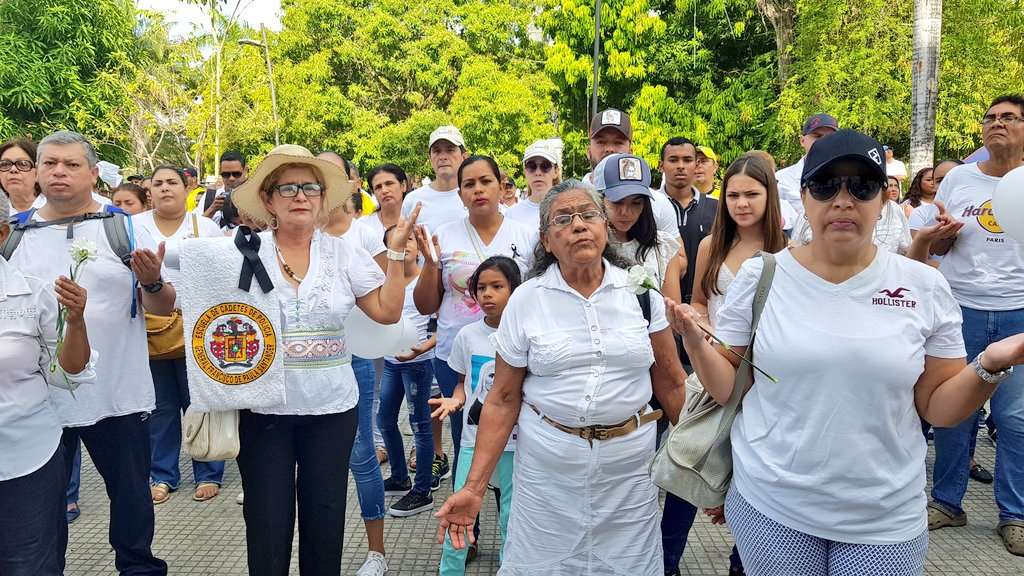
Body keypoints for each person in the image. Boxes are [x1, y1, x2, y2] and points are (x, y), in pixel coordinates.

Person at [665, 128, 1024, 575]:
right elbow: (729, 389)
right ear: (804, 197)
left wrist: (992, 363)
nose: (843, 199)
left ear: (883, 200)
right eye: (826, 184)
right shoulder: (762, 276)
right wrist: (695, 343)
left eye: (862, 186)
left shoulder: (924, 286)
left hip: (885, 516)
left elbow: (938, 409)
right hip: (774, 504)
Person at [435, 179, 686, 575]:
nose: (579, 226)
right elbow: (502, 398)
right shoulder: (527, 299)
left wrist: (701, 468)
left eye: (589, 215)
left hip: (628, 475)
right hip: (548, 474)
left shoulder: (641, 293)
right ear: (546, 240)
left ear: (605, 227)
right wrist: (474, 488)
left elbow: (671, 382)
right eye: (564, 220)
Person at [225, 144, 419, 575]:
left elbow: (386, 311)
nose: (300, 196)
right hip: (263, 407)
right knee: (267, 520)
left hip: (332, 407)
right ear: (269, 199)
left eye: (310, 188)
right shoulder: (241, 251)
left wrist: (399, 254)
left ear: (322, 197)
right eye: (288, 188)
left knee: (325, 516)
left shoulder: (343, 252)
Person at [7, 130, 171, 575]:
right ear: (38, 172)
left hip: (117, 391)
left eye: (72, 164)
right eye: (50, 163)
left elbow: (161, 306)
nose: (60, 171)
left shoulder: (125, 228)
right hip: (42, 401)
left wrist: (153, 280)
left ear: (94, 173)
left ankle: (138, 569)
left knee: (132, 497)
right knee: (43, 507)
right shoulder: (17, 236)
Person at [911, 94, 1024, 556]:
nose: (996, 124)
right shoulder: (957, 178)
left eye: (1009, 117)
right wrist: (940, 239)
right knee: (954, 411)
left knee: (1015, 418)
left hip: (1019, 309)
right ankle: (946, 502)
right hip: (960, 309)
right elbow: (937, 250)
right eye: (990, 117)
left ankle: (1014, 515)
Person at [666, 152, 788, 576]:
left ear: (769, 196)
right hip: (713, 367)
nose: (741, 204)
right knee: (690, 469)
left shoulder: (788, 250)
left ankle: (746, 559)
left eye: (752, 194)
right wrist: (698, 326)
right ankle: (667, 563)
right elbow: (699, 301)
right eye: (733, 194)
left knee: (752, 484)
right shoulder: (711, 245)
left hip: (764, 381)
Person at [413, 155, 535, 496]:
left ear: (501, 186)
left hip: (514, 354)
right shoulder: (445, 235)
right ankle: (467, 527)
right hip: (457, 354)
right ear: (460, 193)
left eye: (486, 181)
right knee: (465, 434)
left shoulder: (526, 236)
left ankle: (512, 520)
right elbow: (425, 304)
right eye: (469, 184)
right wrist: (430, 265)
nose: (478, 189)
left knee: (515, 438)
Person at [0, 200, 95, 576]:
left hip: (27, 456)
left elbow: (66, 371)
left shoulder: (33, 294)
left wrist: (76, 322)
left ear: (2, 234)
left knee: (30, 564)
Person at [318, 151, 391, 576]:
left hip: (358, 356)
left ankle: (376, 552)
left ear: (350, 181)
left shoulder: (364, 234)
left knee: (362, 454)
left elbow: (383, 300)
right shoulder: (297, 232)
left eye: (334, 173)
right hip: (305, 361)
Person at [134, 165, 225, 505]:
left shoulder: (206, 227)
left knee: (200, 402)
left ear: (187, 187)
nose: (164, 189)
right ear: (149, 191)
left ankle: (209, 472)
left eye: (172, 182)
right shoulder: (134, 227)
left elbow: (223, 274)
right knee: (160, 407)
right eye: (157, 184)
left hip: (198, 328)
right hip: (151, 328)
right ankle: (162, 475)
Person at [432, 256, 521, 575]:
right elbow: (461, 385)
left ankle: (510, 567)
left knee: (513, 515)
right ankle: (450, 570)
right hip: (472, 439)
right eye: (481, 287)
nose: (487, 294)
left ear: (516, 290)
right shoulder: (467, 336)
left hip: (515, 442)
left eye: (497, 286)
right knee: (458, 510)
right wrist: (455, 402)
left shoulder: (524, 334)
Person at [377, 225, 436, 518]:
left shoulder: (426, 280)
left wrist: (424, 348)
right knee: (385, 419)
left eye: (409, 239)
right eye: (397, 242)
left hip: (418, 365)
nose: (405, 245)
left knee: (420, 426)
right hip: (391, 362)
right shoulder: (387, 281)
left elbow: (444, 325)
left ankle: (422, 490)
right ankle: (400, 477)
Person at [597, 153, 683, 303]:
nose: (626, 212)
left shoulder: (663, 248)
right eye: (617, 202)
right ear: (600, 199)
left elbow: (672, 311)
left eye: (636, 203)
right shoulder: (589, 247)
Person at [585, 108, 680, 241]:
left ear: (631, 150)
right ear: (588, 150)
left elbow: (679, 257)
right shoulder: (572, 197)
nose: (610, 149)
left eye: (618, 142)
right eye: (601, 142)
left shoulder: (657, 202)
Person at [659, 137, 718, 306]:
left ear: (696, 164)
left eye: (687, 160)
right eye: (673, 160)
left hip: (706, 307)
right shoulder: (650, 208)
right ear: (661, 165)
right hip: (661, 308)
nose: (680, 166)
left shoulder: (718, 209)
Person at [402, 125, 469, 234]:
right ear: (430, 159)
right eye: (437, 151)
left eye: (450, 150)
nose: (443, 157)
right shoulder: (413, 200)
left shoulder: (475, 195)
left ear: (464, 157)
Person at [775, 113, 839, 218]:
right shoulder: (781, 179)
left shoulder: (848, 179)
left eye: (830, 137)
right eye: (817, 136)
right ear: (802, 141)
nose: (823, 142)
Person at [505, 140, 560, 228]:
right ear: (525, 171)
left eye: (545, 166)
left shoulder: (569, 210)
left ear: (556, 171)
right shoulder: (511, 215)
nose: (538, 172)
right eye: (531, 166)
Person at [198, 151, 248, 222]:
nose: (231, 178)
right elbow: (195, 228)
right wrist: (212, 209)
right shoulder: (210, 197)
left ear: (245, 170)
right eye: (226, 174)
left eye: (236, 174)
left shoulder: (256, 196)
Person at [364, 163, 410, 240]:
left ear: (403, 186)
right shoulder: (364, 226)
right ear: (373, 193)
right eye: (378, 187)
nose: (384, 190)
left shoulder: (420, 221)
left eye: (389, 184)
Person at [1, 138, 41, 212]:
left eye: (23, 164)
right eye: (5, 164)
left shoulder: (59, 208)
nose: (13, 169)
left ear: (37, 172)